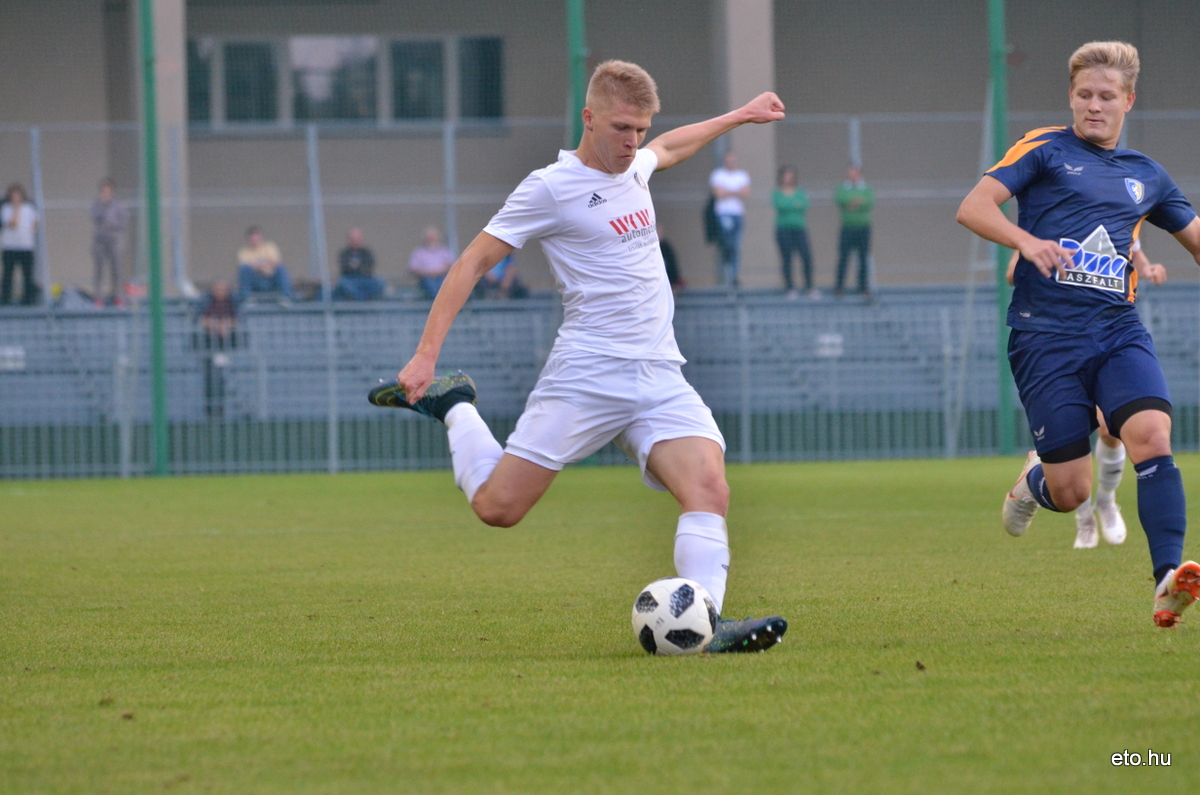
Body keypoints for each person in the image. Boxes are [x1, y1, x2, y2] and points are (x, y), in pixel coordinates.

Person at [369, 60, 789, 652]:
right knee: (498, 508)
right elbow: (472, 263)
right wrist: (424, 356)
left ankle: (705, 624)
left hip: (660, 375)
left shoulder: (635, 167)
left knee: (709, 490)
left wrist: (741, 116)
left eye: (640, 129)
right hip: (588, 375)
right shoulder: (550, 188)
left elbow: (670, 148)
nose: (632, 142)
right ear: (588, 118)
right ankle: (455, 406)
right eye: (621, 128)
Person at [957, 41, 1200, 627]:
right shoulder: (1044, 149)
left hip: (1118, 332)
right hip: (1044, 339)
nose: (1095, 106)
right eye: (1085, 95)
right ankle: (1032, 482)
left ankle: (1167, 578)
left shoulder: (1148, 176)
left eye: (1107, 97)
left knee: (1151, 433)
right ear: (1071, 97)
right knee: (1070, 493)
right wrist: (1025, 241)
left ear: (1128, 102)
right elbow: (973, 206)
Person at [1005, 242, 1166, 550]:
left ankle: (1106, 501)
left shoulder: (1118, 208)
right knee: (1073, 444)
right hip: (1060, 342)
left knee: (1111, 426)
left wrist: (1148, 270)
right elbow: (1013, 272)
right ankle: (1084, 517)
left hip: (1110, 334)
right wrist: (1043, 263)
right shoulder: (1047, 217)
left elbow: (1136, 253)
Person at [709, 151, 750, 287]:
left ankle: (734, 275)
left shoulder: (742, 175)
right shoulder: (718, 175)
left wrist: (727, 191)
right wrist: (735, 191)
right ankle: (726, 272)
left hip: (738, 214)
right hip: (723, 213)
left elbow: (745, 193)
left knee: (736, 246)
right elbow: (718, 194)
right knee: (728, 244)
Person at [773, 165, 814, 298]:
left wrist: (791, 204)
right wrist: (793, 204)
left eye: (791, 176)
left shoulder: (800, 192)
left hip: (799, 228)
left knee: (806, 256)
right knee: (787, 258)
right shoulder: (777, 193)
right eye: (786, 176)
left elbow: (804, 205)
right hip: (783, 229)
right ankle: (790, 287)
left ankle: (809, 286)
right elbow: (780, 205)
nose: (789, 179)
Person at [834, 165, 874, 298]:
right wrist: (855, 202)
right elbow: (841, 200)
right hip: (847, 228)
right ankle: (839, 287)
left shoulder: (866, 189)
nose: (851, 175)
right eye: (850, 172)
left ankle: (863, 287)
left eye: (854, 172)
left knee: (863, 258)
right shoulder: (843, 188)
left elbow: (868, 202)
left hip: (863, 228)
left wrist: (853, 203)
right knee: (844, 258)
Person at [91, 178, 128, 306]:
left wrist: (114, 224)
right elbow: (95, 218)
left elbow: (124, 222)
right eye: (103, 191)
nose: (106, 193)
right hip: (100, 241)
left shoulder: (119, 206)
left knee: (116, 270)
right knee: (99, 270)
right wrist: (102, 205)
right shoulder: (97, 204)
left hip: (115, 241)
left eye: (108, 191)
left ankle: (117, 296)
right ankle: (98, 297)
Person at [1, 183, 39, 306]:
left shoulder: (29, 208)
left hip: (26, 247)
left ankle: (28, 299)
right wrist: (16, 209)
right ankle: (6, 299)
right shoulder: (6, 209)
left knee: (27, 274)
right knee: (8, 274)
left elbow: (35, 223)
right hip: (10, 247)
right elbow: (12, 223)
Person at [237, 226, 294, 301]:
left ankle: (286, 297)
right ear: (248, 240)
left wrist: (259, 266)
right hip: (255, 282)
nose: (255, 240)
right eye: (252, 239)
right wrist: (264, 267)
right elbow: (247, 267)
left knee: (281, 268)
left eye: (257, 238)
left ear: (261, 238)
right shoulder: (243, 252)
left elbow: (275, 262)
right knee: (244, 269)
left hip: (270, 279)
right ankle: (247, 298)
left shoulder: (270, 247)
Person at [334, 227, 385, 301]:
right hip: (349, 279)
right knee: (343, 284)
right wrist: (356, 267)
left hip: (365, 279)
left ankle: (363, 300)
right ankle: (361, 301)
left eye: (357, 239)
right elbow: (344, 268)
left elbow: (369, 267)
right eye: (353, 239)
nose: (355, 241)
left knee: (379, 282)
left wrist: (355, 266)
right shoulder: (344, 253)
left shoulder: (367, 252)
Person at [408, 227, 455, 300]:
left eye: (434, 238)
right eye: (429, 238)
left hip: (442, 276)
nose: (432, 240)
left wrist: (439, 271)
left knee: (446, 284)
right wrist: (429, 273)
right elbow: (413, 269)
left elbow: (452, 266)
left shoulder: (445, 251)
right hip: (426, 278)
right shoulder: (418, 253)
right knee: (431, 286)